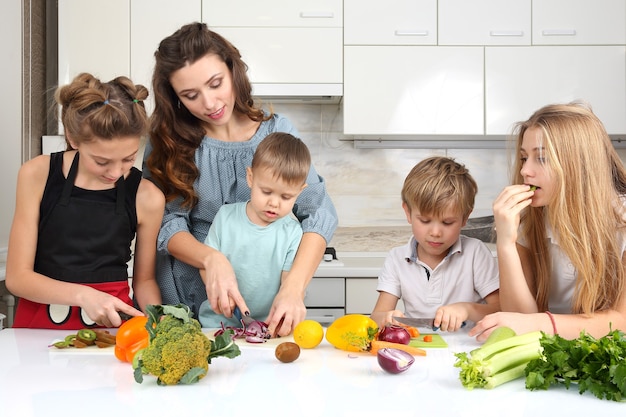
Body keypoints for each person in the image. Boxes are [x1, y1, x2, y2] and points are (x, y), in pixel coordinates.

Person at [143, 22, 337, 336]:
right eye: (191, 95)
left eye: (216, 83)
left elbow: (317, 213)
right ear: (175, 98)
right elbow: (165, 223)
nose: (209, 103)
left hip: (267, 304)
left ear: (233, 71)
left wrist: (294, 288)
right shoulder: (167, 141)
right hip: (187, 297)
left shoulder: (278, 131)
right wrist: (211, 258)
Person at [6, 73, 165, 329]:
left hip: (113, 325)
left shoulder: (148, 197)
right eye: (102, 161)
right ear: (72, 138)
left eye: (128, 159)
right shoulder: (36, 174)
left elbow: (144, 282)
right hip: (37, 325)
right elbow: (17, 278)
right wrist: (83, 295)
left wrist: (159, 321)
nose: (115, 172)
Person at [470, 102, 626, 341]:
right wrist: (505, 242)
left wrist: (539, 323)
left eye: (541, 158)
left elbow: (620, 322)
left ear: (578, 165)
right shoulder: (529, 221)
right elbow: (519, 321)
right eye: (524, 158)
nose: (525, 171)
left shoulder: (622, 222)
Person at [371, 156, 500, 331]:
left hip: (467, 348)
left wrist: (467, 309)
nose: (435, 232)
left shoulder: (475, 253)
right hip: (418, 347)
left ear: (465, 217)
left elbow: (500, 310)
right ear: (407, 213)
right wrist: (386, 318)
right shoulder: (397, 258)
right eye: (425, 220)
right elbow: (377, 316)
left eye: (447, 223)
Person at [198, 132, 310, 328]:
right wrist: (221, 296)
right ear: (250, 178)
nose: (274, 203)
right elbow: (206, 266)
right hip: (217, 323)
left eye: (286, 197)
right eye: (266, 192)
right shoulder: (225, 217)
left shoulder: (293, 233)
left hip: (268, 326)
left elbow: (288, 285)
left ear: (300, 192)